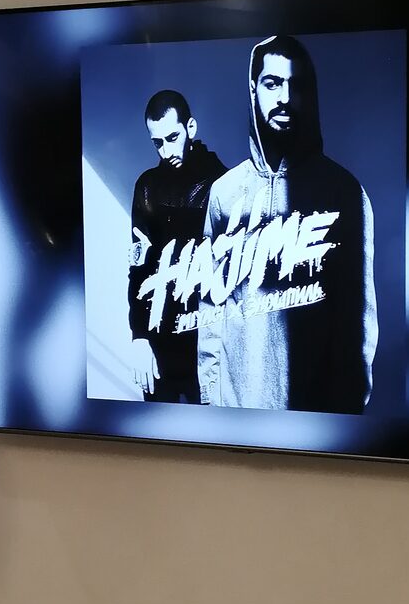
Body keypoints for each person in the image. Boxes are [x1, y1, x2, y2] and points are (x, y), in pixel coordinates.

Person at [197, 34, 377, 412]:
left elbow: (358, 323)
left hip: (314, 425)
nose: (284, 97)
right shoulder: (224, 194)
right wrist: (211, 402)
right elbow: (211, 312)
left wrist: (344, 417)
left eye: (296, 85)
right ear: (253, 90)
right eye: (272, 83)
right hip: (235, 419)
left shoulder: (343, 193)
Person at [126, 89, 225, 401]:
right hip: (160, 340)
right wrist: (139, 337)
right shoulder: (147, 187)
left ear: (190, 128)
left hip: (209, 339)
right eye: (157, 142)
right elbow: (138, 268)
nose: (166, 150)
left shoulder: (224, 184)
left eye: (172, 138)